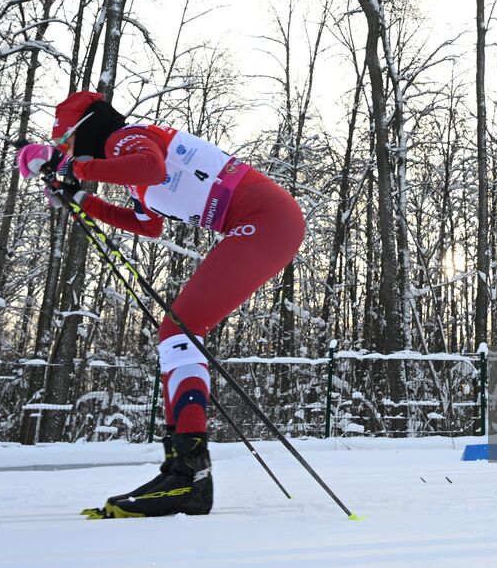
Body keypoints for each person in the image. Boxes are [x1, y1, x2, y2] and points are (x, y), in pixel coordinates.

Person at [17, 90, 306, 517]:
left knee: (179, 328)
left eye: (68, 144)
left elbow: (151, 166)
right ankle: (183, 470)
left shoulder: (127, 138)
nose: (68, 153)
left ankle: (187, 473)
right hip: (262, 223)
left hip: (263, 221)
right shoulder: (131, 166)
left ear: (85, 131)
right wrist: (82, 200)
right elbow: (145, 224)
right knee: (175, 332)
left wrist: (69, 166)